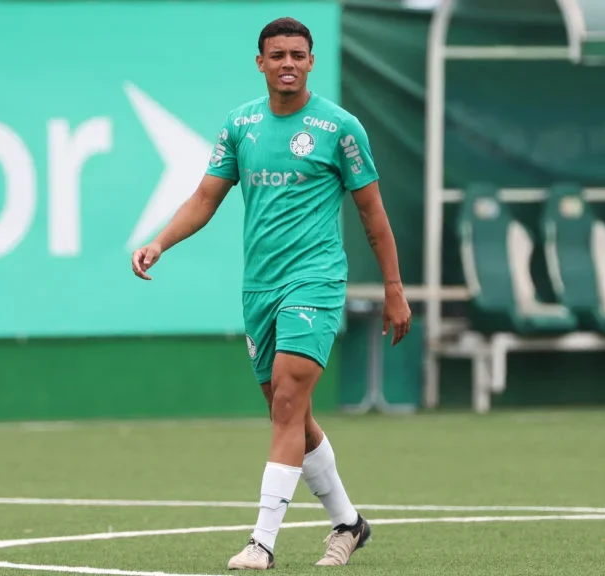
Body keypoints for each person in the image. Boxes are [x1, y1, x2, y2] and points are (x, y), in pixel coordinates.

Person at [131, 16, 412, 570]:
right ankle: (349, 524)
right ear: (260, 63)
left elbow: (373, 213)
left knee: (287, 402)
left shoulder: (340, 128)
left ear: (311, 62)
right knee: (289, 412)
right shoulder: (241, 125)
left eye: (297, 55)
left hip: (315, 280)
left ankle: (261, 542)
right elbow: (205, 197)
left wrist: (394, 288)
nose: (288, 64)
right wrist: (159, 242)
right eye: (278, 55)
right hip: (259, 287)